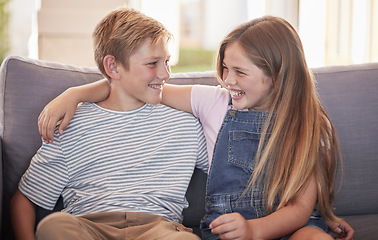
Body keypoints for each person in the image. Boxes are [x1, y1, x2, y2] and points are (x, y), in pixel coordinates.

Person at [37, 16, 355, 240]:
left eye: (240, 72)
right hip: (231, 229)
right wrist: (74, 94)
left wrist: (321, 215)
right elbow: (140, 88)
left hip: (284, 227)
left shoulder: (310, 126)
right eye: (225, 69)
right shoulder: (214, 103)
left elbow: (300, 206)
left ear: (279, 75)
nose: (228, 80)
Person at [10, 8, 208, 240]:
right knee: (54, 226)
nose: (165, 74)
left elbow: (229, 170)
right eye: (152, 63)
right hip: (89, 227)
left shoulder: (184, 122)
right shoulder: (71, 125)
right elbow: (24, 199)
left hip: (159, 229)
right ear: (113, 67)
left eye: (166, 61)